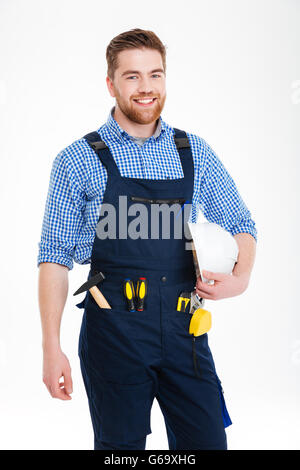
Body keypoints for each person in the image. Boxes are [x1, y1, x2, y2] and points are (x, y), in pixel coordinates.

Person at [37, 28, 257, 451]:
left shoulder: (193, 150)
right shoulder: (77, 159)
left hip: (185, 334)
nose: (146, 88)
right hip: (114, 334)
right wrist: (52, 348)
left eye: (155, 75)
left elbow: (241, 221)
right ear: (111, 83)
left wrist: (241, 277)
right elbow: (54, 258)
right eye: (132, 76)